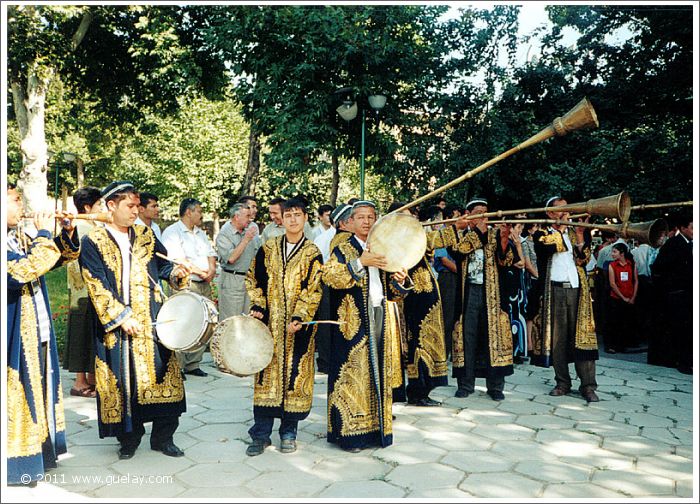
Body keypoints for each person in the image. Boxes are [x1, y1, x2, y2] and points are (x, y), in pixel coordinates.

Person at [79, 181, 190, 460]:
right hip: (117, 327)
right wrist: (120, 316)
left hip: (153, 319)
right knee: (123, 382)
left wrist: (175, 272)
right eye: (130, 206)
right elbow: (96, 283)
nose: (135, 211)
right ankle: (129, 439)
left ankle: (163, 437)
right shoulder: (93, 241)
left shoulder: (146, 234)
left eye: (137, 206)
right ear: (111, 206)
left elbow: (162, 264)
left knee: (165, 375)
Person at [322, 200, 410, 452]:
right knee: (353, 375)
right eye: (361, 217)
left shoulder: (383, 247)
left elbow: (392, 292)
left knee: (377, 372)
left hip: (379, 311)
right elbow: (330, 276)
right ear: (350, 222)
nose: (367, 221)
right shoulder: (344, 247)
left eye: (371, 216)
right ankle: (350, 435)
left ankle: (375, 432)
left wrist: (400, 281)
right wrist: (361, 262)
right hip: (352, 320)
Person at [7, 185, 79, 486]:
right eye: (13, 199)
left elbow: (54, 259)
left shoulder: (16, 236)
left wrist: (65, 233)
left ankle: (38, 455)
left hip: (34, 326)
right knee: (18, 395)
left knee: (39, 391)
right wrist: (42, 233)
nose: (20, 204)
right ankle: (16, 465)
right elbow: (23, 270)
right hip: (12, 331)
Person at [245, 198, 324, 456]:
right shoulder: (267, 248)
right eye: (287, 215)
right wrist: (259, 305)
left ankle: (288, 432)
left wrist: (300, 315)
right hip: (269, 325)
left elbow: (314, 289)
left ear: (304, 218)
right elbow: (253, 279)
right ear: (281, 218)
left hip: (297, 328)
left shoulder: (312, 252)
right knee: (265, 374)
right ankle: (261, 433)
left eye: (297, 215)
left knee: (294, 376)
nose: (292, 219)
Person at [389, 201, 466, 406]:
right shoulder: (396, 240)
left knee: (429, 342)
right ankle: (417, 391)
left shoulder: (413, 236)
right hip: (413, 300)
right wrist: (454, 227)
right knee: (418, 345)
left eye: (411, 215)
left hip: (427, 299)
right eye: (405, 216)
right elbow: (432, 239)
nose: (412, 219)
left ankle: (423, 389)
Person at [449, 199, 519, 401]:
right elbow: (458, 251)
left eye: (485, 213)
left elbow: (506, 262)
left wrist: (505, 241)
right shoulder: (462, 235)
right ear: (468, 214)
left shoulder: (496, 235)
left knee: (494, 338)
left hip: (494, 296)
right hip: (468, 292)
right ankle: (465, 384)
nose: (483, 217)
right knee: (466, 336)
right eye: (478, 212)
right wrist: (479, 232)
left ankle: (495, 387)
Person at [530, 196, 599, 403]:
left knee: (583, 339)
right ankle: (563, 382)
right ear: (550, 213)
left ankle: (588, 385)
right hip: (555, 291)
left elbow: (583, 259)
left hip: (579, 291)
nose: (567, 212)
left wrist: (579, 235)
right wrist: (560, 229)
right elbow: (548, 249)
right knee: (558, 339)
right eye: (562, 209)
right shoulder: (542, 234)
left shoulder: (574, 232)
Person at [161, 197, 218, 377]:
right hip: (185, 283)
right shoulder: (173, 232)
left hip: (204, 283)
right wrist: (201, 272)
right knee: (181, 321)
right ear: (188, 212)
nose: (201, 215)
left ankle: (193, 363)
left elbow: (210, 253)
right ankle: (177, 364)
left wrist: (211, 271)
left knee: (204, 321)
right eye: (199, 211)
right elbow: (178, 260)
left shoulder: (200, 233)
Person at [63, 186, 102, 398]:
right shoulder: (84, 228)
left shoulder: (87, 226)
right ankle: (80, 382)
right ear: (88, 207)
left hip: (85, 290)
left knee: (88, 333)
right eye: (99, 204)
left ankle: (91, 377)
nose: (103, 208)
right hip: (84, 292)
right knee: (82, 334)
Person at [313, 203, 354, 374]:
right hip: (329, 284)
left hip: (336, 284)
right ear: (343, 224)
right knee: (329, 324)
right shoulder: (333, 240)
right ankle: (327, 361)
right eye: (354, 219)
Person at [652, 212, 693, 374]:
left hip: (683, 293)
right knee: (680, 330)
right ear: (682, 228)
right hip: (676, 295)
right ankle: (681, 361)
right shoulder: (674, 244)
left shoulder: (686, 243)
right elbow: (659, 269)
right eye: (692, 227)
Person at [215, 202, 260, 320]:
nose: (250, 219)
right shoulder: (224, 235)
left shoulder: (249, 232)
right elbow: (231, 258)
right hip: (232, 281)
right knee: (232, 320)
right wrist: (246, 240)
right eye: (247, 216)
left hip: (249, 281)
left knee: (247, 319)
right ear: (236, 217)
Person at [607, 243, 639, 354]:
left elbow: (635, 281)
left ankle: (623, 344)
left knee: (626, 322)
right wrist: (622, 297)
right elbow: (612, 283)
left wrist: (633, 296)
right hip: (616, 297)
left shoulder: (632, 264)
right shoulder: (612, 265)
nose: (612, 254)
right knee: (615, 322)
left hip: (629, 296)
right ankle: (612, 345)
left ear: (622, 253)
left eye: (615, 252)